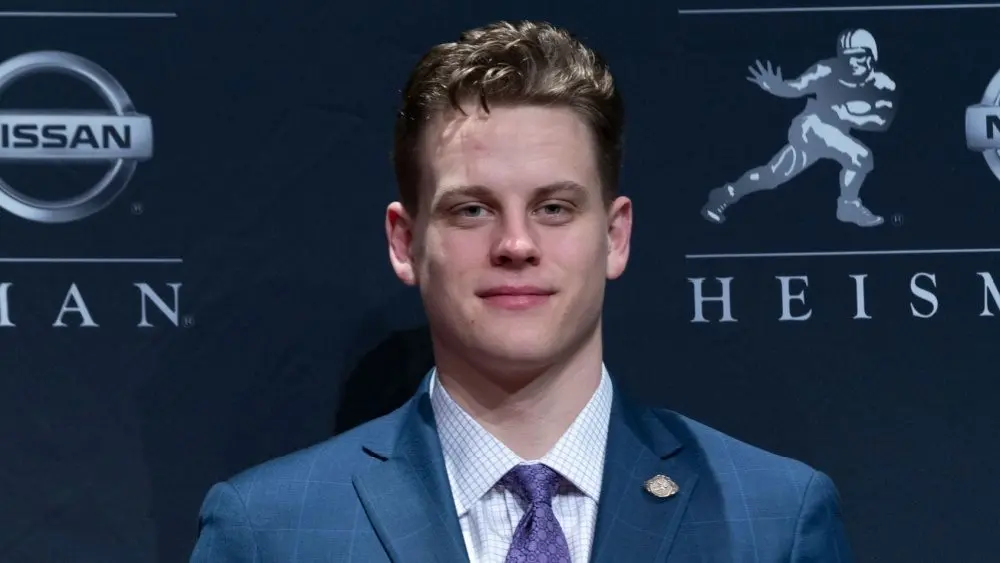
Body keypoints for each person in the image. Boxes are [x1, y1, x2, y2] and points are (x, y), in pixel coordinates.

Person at [190, 20, 854, 562]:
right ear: (404, 242)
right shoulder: (270, 531)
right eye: (471, 209)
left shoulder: (773, 521)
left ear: (615, 236)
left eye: (555, 208)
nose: (515, 243)